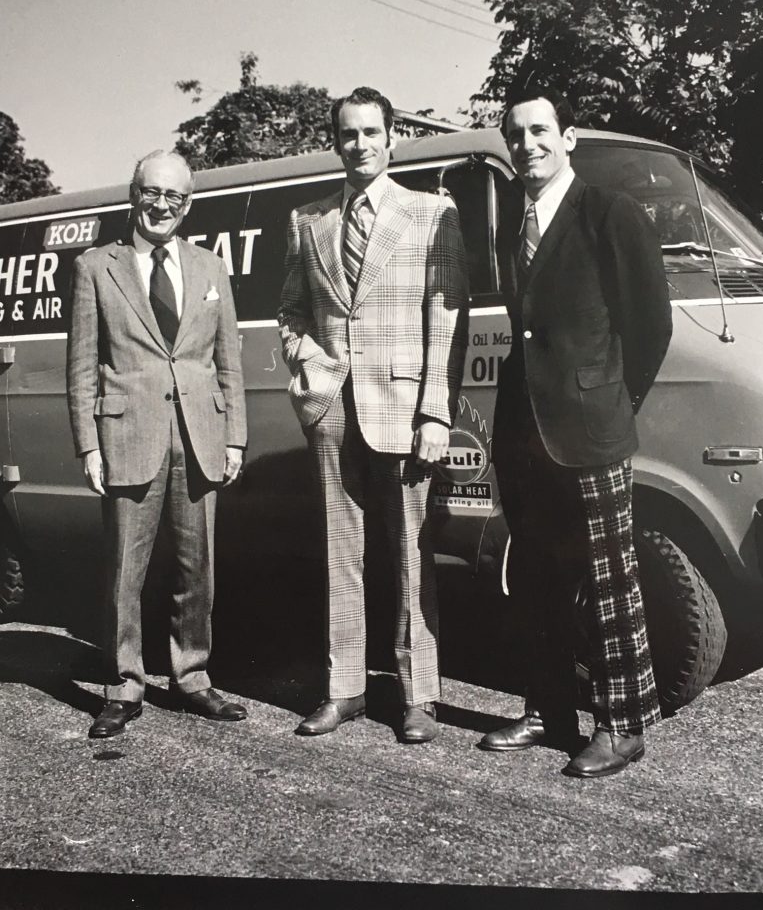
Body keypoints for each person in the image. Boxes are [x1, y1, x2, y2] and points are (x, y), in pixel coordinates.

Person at [482, 84, 672, 778]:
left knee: (610, 581)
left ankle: (621, 727)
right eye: (515, 135)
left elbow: (651, 326)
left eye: (539, 131)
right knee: (535, 578)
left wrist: (613, 402)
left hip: (591, 433)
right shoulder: (512, 223)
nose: (526, 144)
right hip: (525, 435)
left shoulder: (607, 214)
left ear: (568, 140)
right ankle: (548, 711)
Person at [277, 86, 469, 743]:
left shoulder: (430, 213)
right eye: (347, 135)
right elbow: (293, 309)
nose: (359, 144)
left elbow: (444, 319)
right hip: (333, 407)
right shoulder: (309, 221)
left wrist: (435, 414)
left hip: (405, 411)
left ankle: (420, 698)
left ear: (393, 139)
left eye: (370, 133)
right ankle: (345, 690)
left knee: (411, 555)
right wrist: (312, 370)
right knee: (341, 555)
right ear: (337, 144)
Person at [67, 150, 248, 739]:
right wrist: (89, 446)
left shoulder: (210, 268)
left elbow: (229, 362)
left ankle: (192, 678)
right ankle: (123, 686)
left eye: (174, 197)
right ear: (133, 194)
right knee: (126, 570)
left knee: (198, 568)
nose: (161, 205)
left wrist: (235, 439)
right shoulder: (98, 266)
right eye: (151, 192)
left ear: (188, 204)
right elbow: (82, 368)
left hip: (200, 435)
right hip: (127, 434)